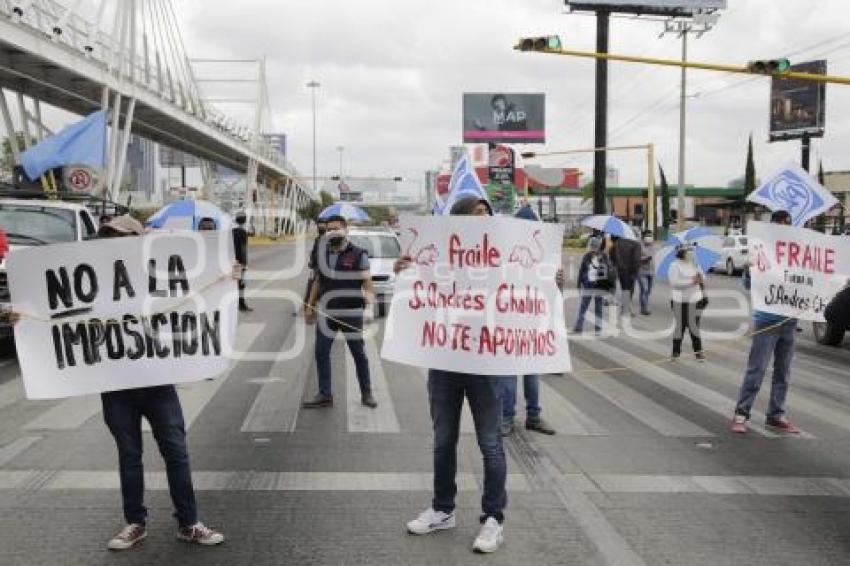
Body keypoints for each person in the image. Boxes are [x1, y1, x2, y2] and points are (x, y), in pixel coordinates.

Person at [96, 216, 224, 550]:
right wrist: (27, 317)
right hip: (117, 386)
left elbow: (199, 293)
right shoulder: (95, 278)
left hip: (157, 384)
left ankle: (189, 522)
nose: (115, 242)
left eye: (122, 237)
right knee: (129, 455)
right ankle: (135, 523)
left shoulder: (161, 275)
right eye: (109, 237)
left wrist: (224, 278)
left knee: (176, 453)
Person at [402, 196, 507, 554]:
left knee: (490, 443)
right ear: (458, 221)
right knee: (443, 439)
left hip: (486, 361)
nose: (484, 217)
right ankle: (443, 509)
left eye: (487, 213)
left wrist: (549, 278)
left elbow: (531, 286)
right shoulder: (441, 258)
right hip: (445, 359)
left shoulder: (502, 255)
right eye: (476, 212)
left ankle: (493, 519)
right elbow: (416, 292)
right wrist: (406, 271)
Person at [731, 209, 799, 434]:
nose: (784, 228)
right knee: (757, 369)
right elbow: (750, 286)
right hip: (766, 321)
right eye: (780, 224)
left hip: (789, 321)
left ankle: (776, 414)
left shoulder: (796, 253)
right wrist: (750, 272)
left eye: (787, 225)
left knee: (783, 371)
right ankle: (742, 413)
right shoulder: (761, 251)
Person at [303, 215, 377, 409]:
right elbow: (317, 282)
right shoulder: (323, 253)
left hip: (351, 312)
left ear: (346, 230)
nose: (332, 232)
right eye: (328, 229)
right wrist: (309, 306)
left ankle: (366, 393)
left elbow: (368, 284)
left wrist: (369, 309)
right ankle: (325, 394)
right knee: (321, 352)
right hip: (327, 312)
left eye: (336, 228)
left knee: (358, 353)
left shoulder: (359, 254)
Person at [500, 204, 556, 437]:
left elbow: (550, 290)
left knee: (532, 373)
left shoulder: (543, 257)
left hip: (532, 322)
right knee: (510, 374)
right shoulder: (505, 253)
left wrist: (557, 280)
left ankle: (532, 415)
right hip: (510, 321)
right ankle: (507, 417)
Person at [668, 243, 706, 361]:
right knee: (680, 327)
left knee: (694, 326)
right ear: (681, 252)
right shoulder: (675, 265)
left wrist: (700, 278)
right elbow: (674, 283)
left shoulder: (695, 264)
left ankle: (698, 352)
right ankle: (675, 352)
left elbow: (703, 278)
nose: (690, 253)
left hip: (696, 300)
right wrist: (691, 281)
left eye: (691, 250)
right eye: (687, 251)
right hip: (680, 301)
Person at [573, 236, 613, 334]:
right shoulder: (587, 256)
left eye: (593, 246)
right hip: (588, 285)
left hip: (598, 285)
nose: (592, 249)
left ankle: (598, 329)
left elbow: (608, 270)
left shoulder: (603, 256)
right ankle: (579, 326)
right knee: (584, 306)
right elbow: (582, 270)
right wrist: (579, 283)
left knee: (597, 307)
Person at [611, 234, 641, 316]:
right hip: (631, 271)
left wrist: (619, 266)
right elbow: (637, 259)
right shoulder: (636, 244)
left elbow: (613, 256)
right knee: (630, 289)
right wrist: (635, 271)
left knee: (624, 288)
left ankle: (625, 308)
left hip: (621, 270)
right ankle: (627, 308)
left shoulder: (618, 242)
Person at [232, 211, 251, 312]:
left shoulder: (232, 231)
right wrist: (244, 263)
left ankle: (236, 304)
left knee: (235, 283)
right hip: (240, 262)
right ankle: (241, 304)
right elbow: (243, 248)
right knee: (241, 284)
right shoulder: (243, 232)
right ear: (244, 220)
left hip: (233, 261)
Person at [638, 230, 656, 315]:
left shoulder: (653, 245)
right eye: (647, 235)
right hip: (641, 271)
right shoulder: (639, 246)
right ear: (643, 236)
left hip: (651, 272)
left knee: (648, 291)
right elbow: (636, 259)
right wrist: (644, 259)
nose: (649, 237)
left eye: (651, 235)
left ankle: (644, 306)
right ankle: (644, 309)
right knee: (644, 290)